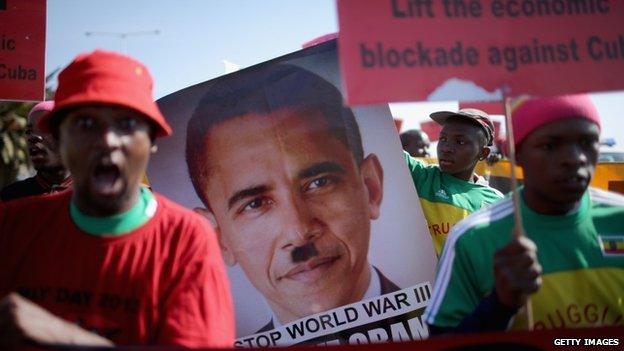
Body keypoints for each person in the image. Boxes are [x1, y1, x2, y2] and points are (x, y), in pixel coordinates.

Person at [0, 50, 234, 348]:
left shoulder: (185, 239)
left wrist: (65, 337)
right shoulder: (13, 225)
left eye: (126, 124)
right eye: (85, 124)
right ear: (61, 139)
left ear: (151, 141)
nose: (106, 141)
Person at [185, 64, 397, 331]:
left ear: (370, 188)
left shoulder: (450, 317)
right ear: (217, 239)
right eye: (255, 204)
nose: (299, 233)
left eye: (319, 183)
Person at [424, 94, 624, 333]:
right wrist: (500, 305)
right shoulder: (471, 238)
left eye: (587, 142)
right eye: (550, 145)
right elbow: (442, 339)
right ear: (516, 154)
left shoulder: (619, 220)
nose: (574, 159)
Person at [405, 109, 504, 255]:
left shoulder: (496, 203)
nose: (446, 148)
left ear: (483, 153)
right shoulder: (422, 176)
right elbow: (382, 146)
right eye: (443, 139)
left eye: (460, 141)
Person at [1, 101, 71, 201]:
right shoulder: (10, 197)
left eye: (45, 129)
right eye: (29, 131)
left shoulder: (94, 199)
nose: (32, 137)